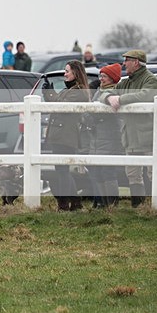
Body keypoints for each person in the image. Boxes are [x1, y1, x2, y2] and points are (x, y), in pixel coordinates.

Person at [98, 50, 157, 206]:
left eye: (127, 60)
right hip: (130, 135)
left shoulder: (151, 80)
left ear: (136, 62)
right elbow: (104, 93)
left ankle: (154, 207)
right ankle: (138, 206)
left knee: (153, 172)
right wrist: (109, 97)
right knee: (132, 173)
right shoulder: (125, 82)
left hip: (149, 135)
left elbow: (145, 96)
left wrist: (120, 99)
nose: (124, 64)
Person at [42, 60, 90, 211]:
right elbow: (56, 102)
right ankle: (75, 203)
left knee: (62, 171)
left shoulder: (79, 91)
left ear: (76, 73)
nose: (65, 74)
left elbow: (60, 105)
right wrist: (48, 93)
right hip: (60, 135)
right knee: (62, 170)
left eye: (67, 71)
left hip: (66, 136)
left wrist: (50, 93)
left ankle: (64, 204)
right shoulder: (69, 89)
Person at [82, 63, 123, 208]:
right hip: (95, 137)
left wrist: (91, 116)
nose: (101, 79)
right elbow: (90, 108)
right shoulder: (99, 91)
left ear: (112, 78)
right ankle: (104, 203)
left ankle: (112, 204)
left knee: (107, 171)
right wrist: (89, 116)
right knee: (96, 171)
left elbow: (102, 113)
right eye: (101, 76)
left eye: (104, 76)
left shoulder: (115, 92)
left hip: (109, 137)